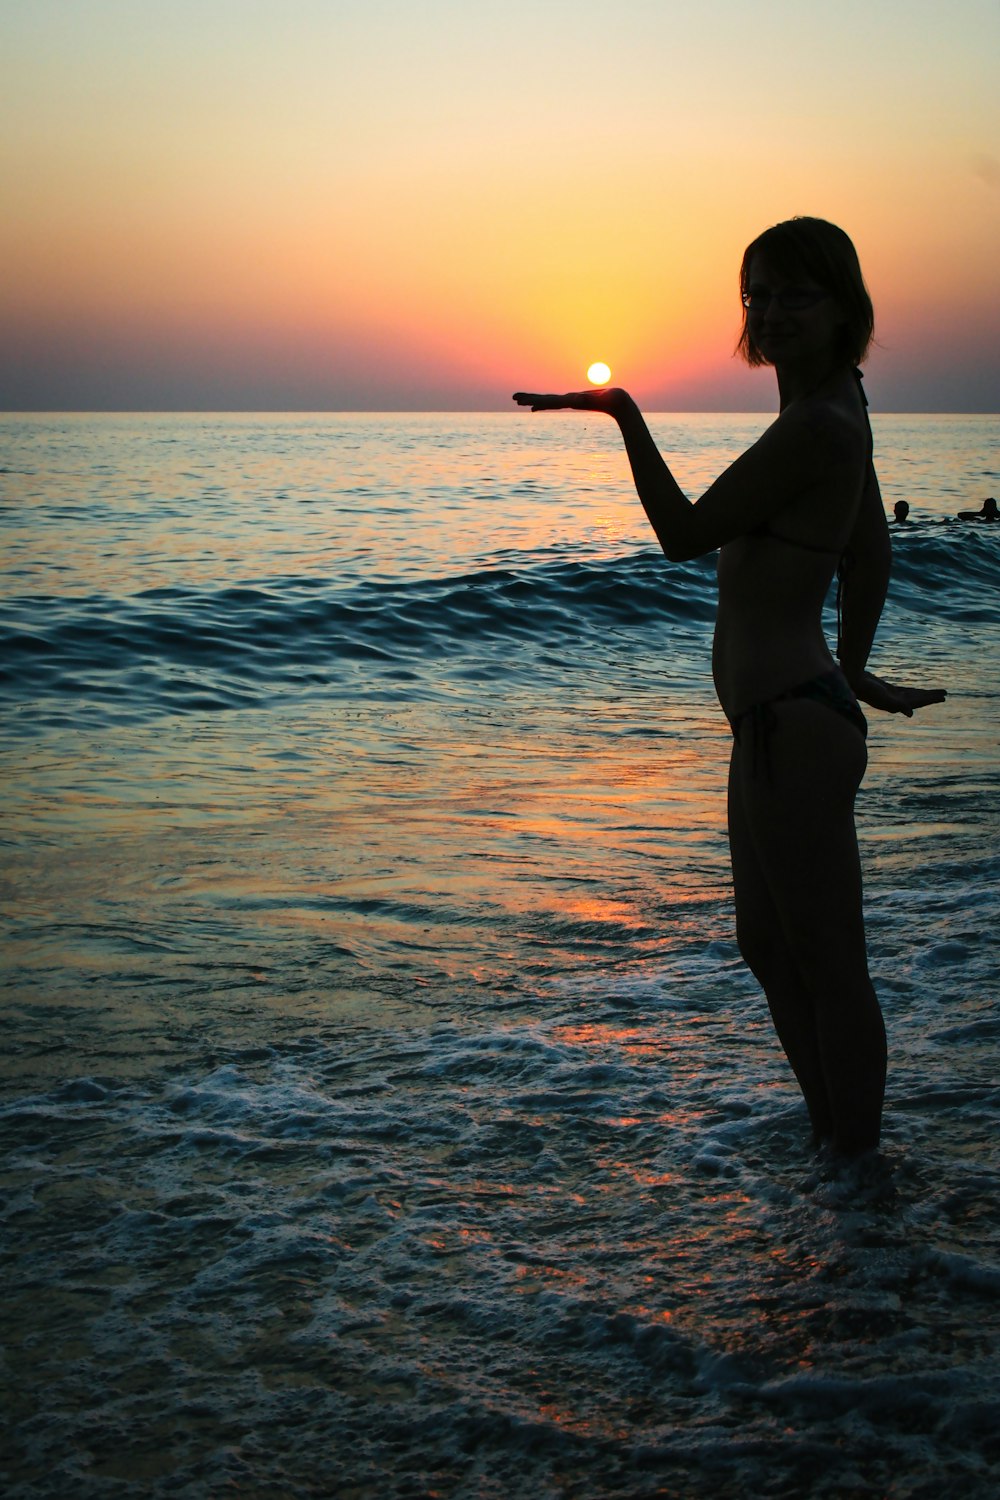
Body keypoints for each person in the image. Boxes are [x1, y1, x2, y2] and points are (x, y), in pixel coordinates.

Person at [513, 216, 946, 1157]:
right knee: (770, 948)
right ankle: (837, 1146)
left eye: (798, 293)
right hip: (786, 716)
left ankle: (858, 1168)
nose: (770, 311)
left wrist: (624, 416)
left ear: (845, 309)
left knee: (830, 963)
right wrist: (857, 662)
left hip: (794, 725)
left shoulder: (820, 425)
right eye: (756, 293)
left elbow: (683, 532)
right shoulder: (840, 407)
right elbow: (868, 545)